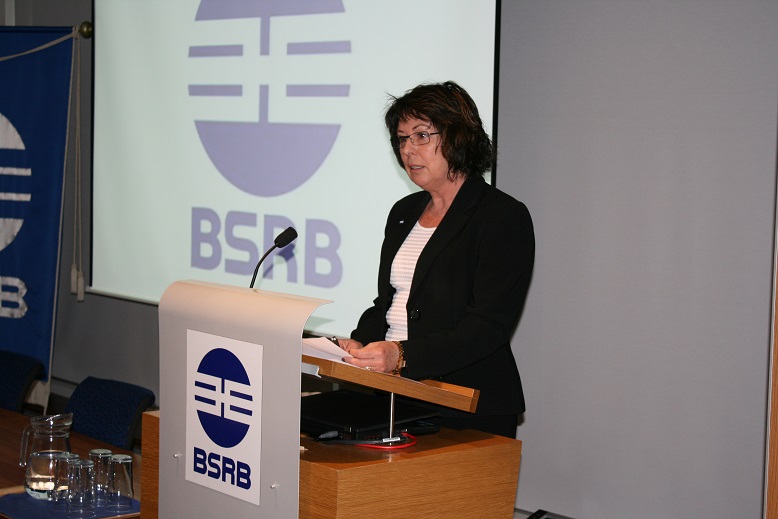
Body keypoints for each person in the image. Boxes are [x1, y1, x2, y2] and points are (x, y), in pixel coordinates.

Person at [338, 81, 535, 437]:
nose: (407, 150)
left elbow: (487, 326)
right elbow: (389, 302)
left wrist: (402, 356)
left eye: (421, 136)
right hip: (396, 395)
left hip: (466, 406)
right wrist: (360, 343)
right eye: (401, 139)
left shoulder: (501, 216)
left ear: (459, 137)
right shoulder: (404, 212)